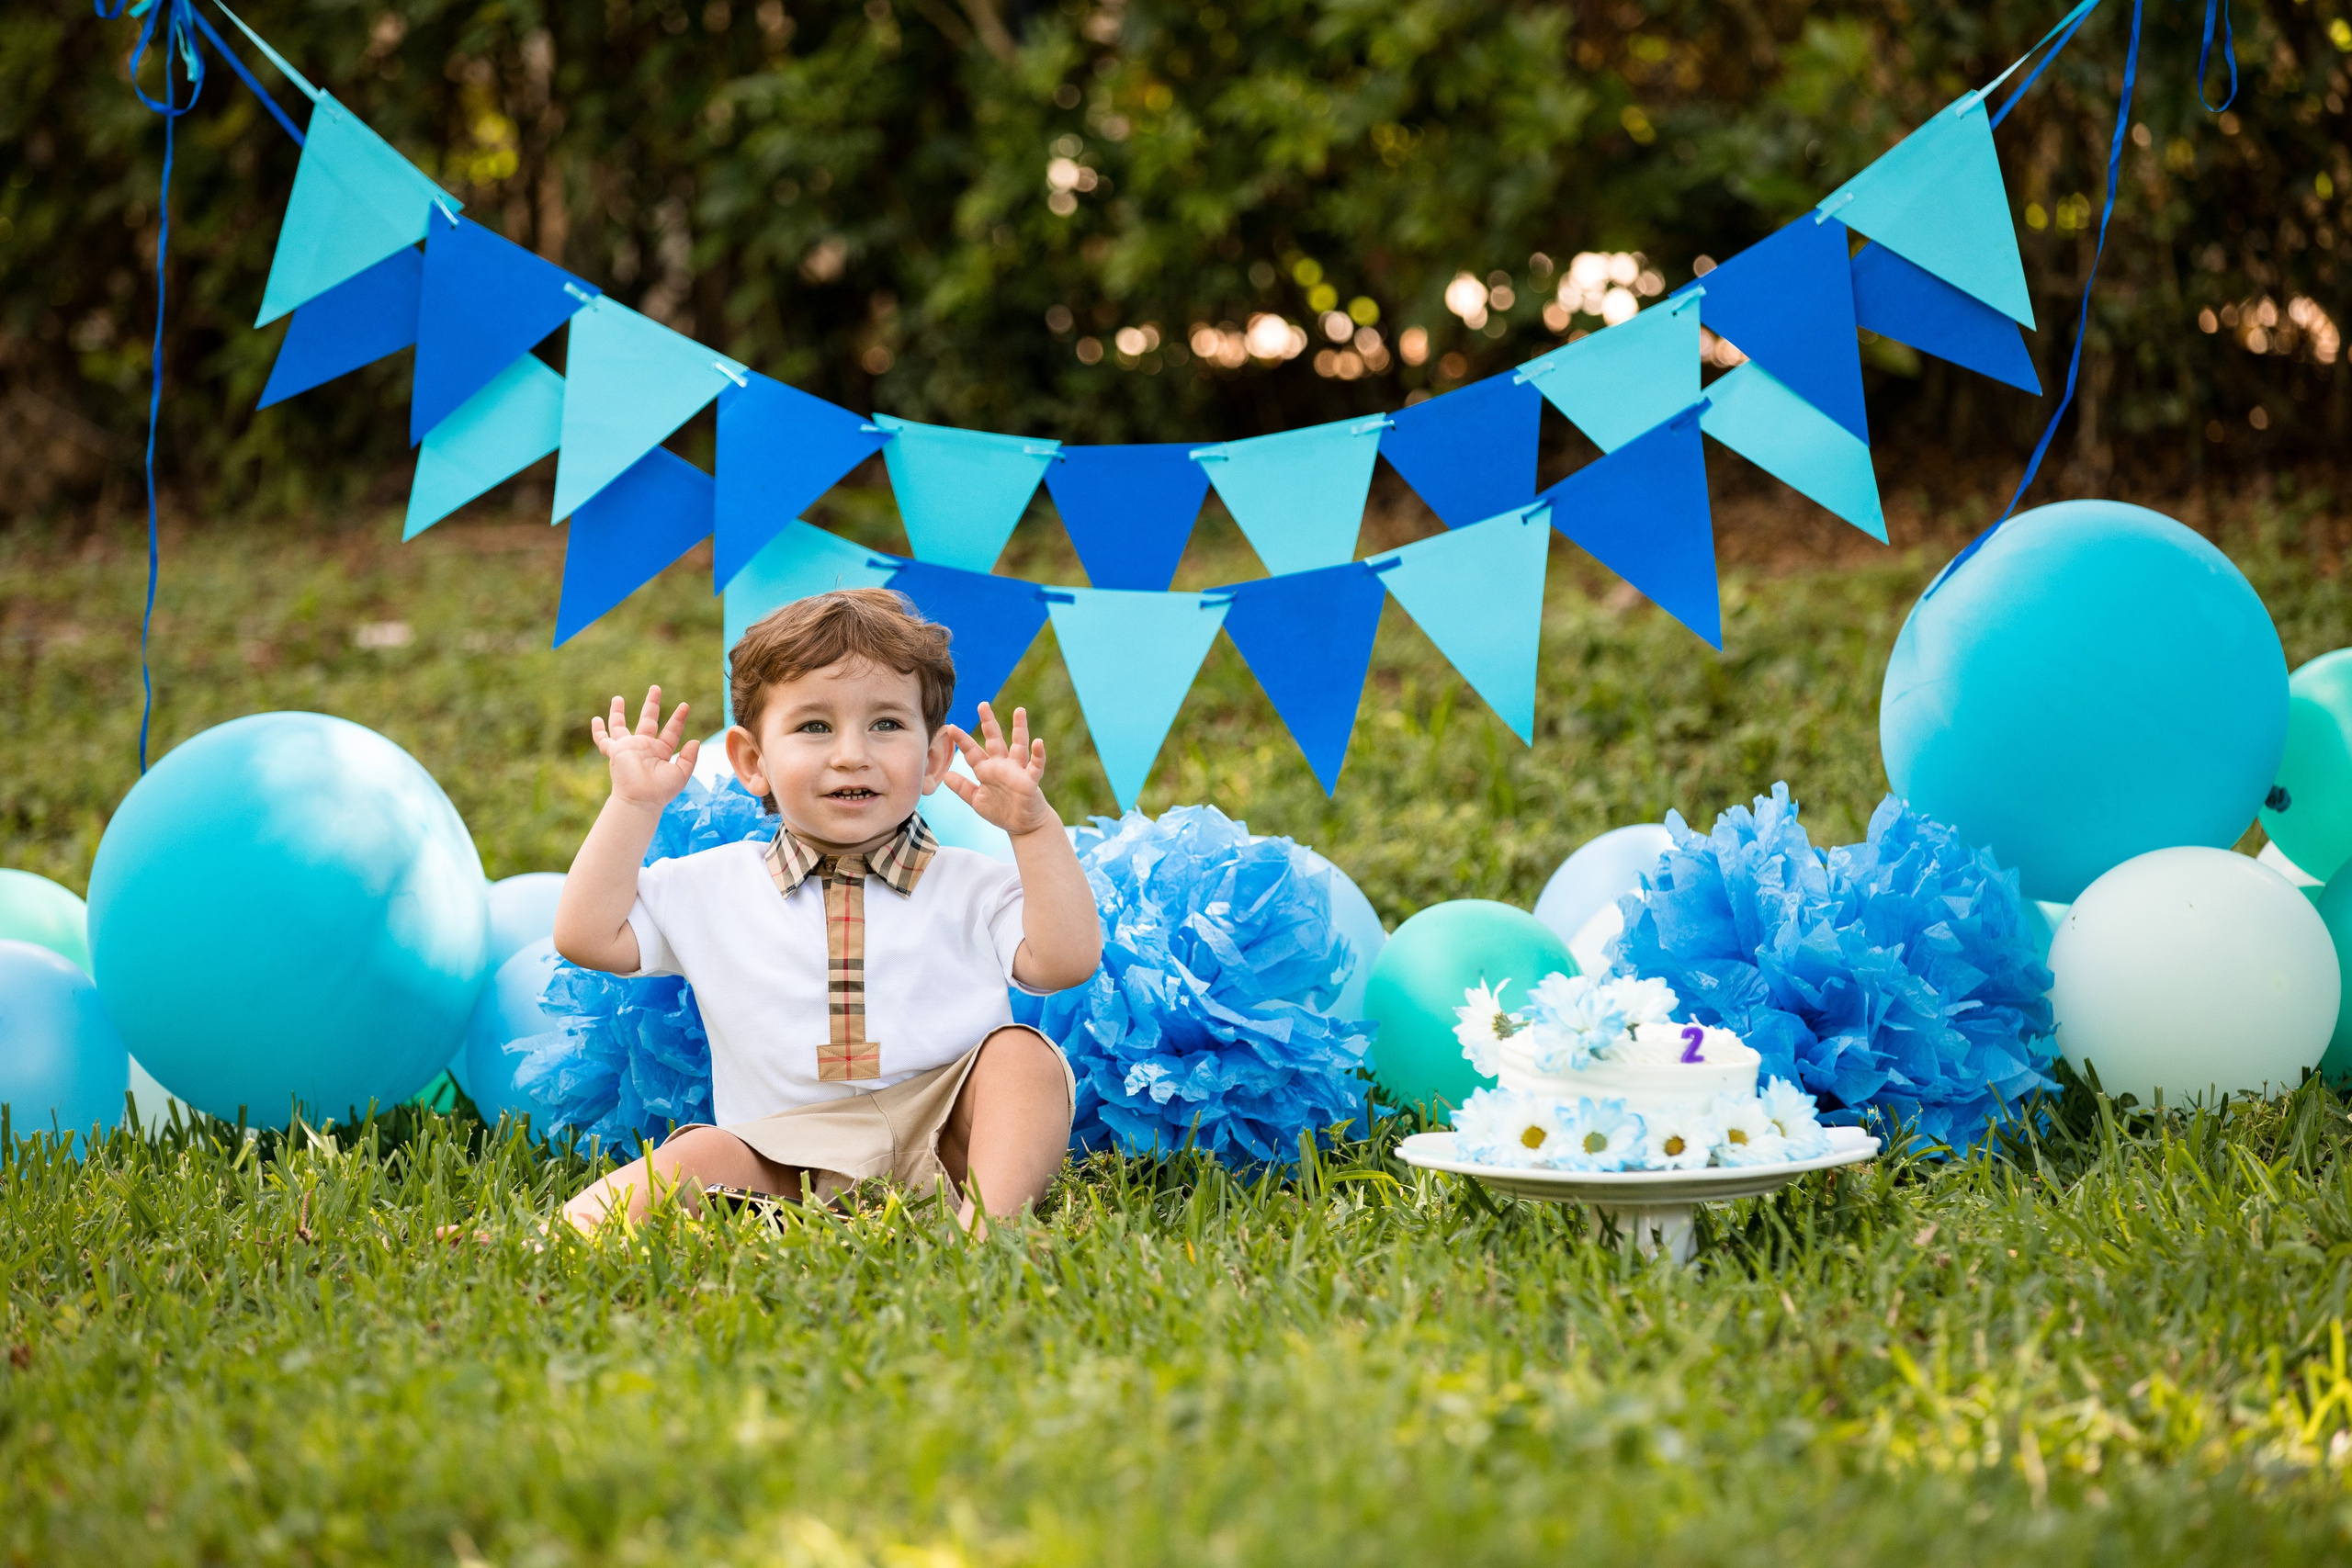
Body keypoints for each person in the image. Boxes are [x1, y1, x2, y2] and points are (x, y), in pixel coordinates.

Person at [548, 587, 1101, 1235]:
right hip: (783, 1156)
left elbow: (1066, 961)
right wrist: (634, 806)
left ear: (932, 759)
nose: (851, 753)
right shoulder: (710, 886)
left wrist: (1034, 833)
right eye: (815, 726)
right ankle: (548, 1237)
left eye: (886, 724)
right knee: (695, 1155)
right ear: (752, 762)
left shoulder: (970, 884)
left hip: (949, 1134)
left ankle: (989, 1233)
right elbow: (586, 936)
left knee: (1023, 1059)